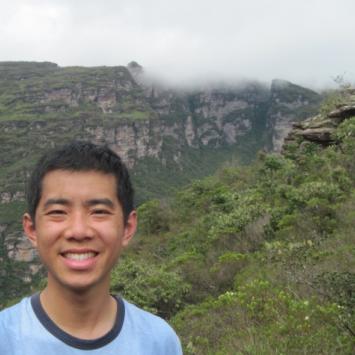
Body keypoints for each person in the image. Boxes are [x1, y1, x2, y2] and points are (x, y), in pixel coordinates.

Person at [0, 141, 182, 354]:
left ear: (127, 227)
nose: (78, 231)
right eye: (58, 212)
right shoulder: (6, 338)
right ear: (32, 229)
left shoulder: (159, 342)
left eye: (99, 211)